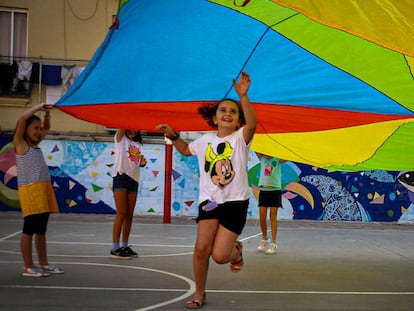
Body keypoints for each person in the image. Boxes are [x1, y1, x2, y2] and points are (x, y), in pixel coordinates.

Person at [155, 71, 257, 309]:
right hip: (209, 201)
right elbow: (185, 150)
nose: (228, 114)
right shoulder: (205, 141)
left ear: (238, 118)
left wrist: (243, 96)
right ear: (214, 118)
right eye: (223, 110)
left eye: (233, 111)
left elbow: (252, 123)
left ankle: (236, 252)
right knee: (201, 249)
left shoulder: (241, 138)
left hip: (235, 203)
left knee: (220, 256)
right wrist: (172, 134)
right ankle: (200, 293)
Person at [14, 103, 64, 277]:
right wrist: (39, 107)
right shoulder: (21, 145)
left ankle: (44, 263)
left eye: (39, 129)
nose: (39, 131)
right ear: (25, 129)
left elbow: (47, 127)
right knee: (29, 228)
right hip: (31, 192)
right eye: (35, 128)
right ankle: (28, 266)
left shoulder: (36, 145)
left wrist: (47, 115)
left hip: (43, 190)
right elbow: (22, 118)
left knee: (41, 230)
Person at [110, 129, 147, 259]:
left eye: (135, 129)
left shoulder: (139, 145)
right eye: (130, 128)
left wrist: (142, 164)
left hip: (134, 180)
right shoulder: (120, 139)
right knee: (121, 213)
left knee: (129, 215)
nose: (132, 131)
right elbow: (122, 125)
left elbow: (137, 161)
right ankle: (115, 248)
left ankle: (125, 246)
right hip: (120, 177)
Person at [256, 154, 284, 255]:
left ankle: (273, 243)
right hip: (263, 191)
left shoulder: (277, 159)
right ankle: (264, 238)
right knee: (262, 218)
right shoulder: (262, 158)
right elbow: (255, 145)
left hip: (275, 191)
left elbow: (288, 155)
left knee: (273, 217)